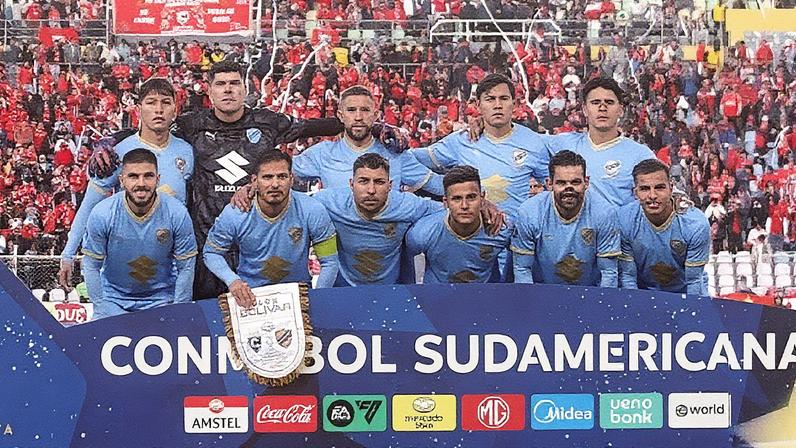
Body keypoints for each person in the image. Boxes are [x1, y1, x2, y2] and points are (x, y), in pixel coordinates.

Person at [89, 60, 350, 300]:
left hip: (256, 245)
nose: (228, 90)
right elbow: (149, 129)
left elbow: (314, 126)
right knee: (208, 327)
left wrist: (364, 125)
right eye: (221, 84)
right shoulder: (192, 124)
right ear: (209, 91)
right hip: (207, 246)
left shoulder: (267, 122)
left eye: (235, 84)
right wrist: (107, 142)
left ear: (245, 89)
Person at [410, 73, 550, 280]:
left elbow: (551, 189)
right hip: (470, 242)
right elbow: (409, 160)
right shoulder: (461, 141)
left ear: (515, 103)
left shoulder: (535, 143)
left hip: (515, 244)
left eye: (503, 99)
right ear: (478, 104)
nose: (497, 105)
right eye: (490, 99)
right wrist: (456, 194)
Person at [59, 78, 194, 290]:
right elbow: (89, 205)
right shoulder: (115, 152)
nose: (158, 109)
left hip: (169, 276)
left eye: (165, 102)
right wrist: (68, 254)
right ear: (139, 110)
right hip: (123, 272)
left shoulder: (187, 151)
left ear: (175, 110)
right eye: (151, 102)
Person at [203, 151, 338, 307]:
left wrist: (317, 298)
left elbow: (330, 262)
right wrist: (233, 282)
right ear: (254, 181)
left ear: (291, 179)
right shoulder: (235, 213)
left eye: (282, 177)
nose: (275, 184)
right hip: (249, 298)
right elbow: (211, 253)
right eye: (267, 177)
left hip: (298, 296)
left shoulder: (312, 209)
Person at [81, 149, 197, 320]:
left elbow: (186, 267)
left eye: (148, 176)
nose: (141, 183)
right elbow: (91, 265)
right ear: (122, 181)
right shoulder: (103, 213)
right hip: (114, 300)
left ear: (158, 179)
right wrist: (101, 308)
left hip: (161, 300)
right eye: (133, 176)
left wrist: (178, 312)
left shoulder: (177, 213)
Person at [312, 153, 446, 286]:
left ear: (390, 186)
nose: (371, 190)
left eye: (379, 182)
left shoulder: (407, 205)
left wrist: (418, 235)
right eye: (363, 181)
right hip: (343, 290)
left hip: (391, 291)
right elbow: (300, 207)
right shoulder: (330, 202)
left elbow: (446, 210)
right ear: (351, 184)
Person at [291, 85, 443, 195]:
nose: (358, 117)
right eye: (351, 110)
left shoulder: (396, 155)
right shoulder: (321, 153)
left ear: (376, 115)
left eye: (365, 110)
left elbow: (440, 186)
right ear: (340, 115)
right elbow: (276, 170)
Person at [512, 150, 620, 286]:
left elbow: (608, 272)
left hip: (589, 293)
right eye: (561, 183)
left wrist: (603, 304)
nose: (569, 188)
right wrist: (531, 304)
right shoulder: (529, 212)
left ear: (586, 182)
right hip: (543, 291)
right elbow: (522, 268)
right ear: (549, 184)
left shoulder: (604, 213)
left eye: (575, 182)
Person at [545, 77, 656, 206]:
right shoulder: (562, 143)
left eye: (609, 102)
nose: (602, 107)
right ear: (585, 109)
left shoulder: (640, 155)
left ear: (620, 110)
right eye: (595, 102)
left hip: (618, 225)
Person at [617, 159, 710, 296]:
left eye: (659, 187)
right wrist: (636, 309)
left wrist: (691, 312)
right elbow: (628, 276)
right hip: (643, 294)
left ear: (671, 188)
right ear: (635, 192)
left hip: (685, 292)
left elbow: (694, 281)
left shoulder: (695, 224)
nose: (652, 195)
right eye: (644, 189)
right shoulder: (624, 219)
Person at [406, 165, 512, 284]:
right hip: (438, 297)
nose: (465, 206)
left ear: (482, 198)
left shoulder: (501, 228)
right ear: (445, 202)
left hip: (485, 296)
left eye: (471, 197)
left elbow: (517, 266)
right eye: (456, 199)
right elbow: (407, 271)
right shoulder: (422, 233)